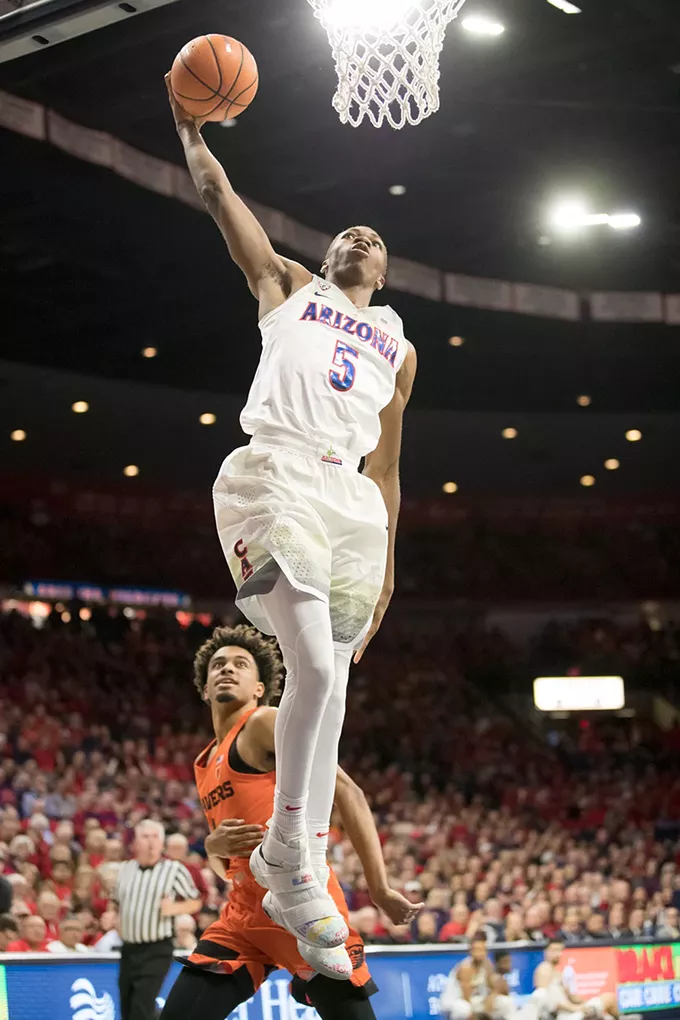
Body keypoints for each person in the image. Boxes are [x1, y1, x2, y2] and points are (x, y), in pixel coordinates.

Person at [166, 75, 416, 953]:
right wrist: (193, 134)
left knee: (335, 676)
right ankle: (295, 859)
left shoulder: (400, 346)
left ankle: (290, 856)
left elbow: (386, 465)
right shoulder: (289, 287)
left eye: (375, 238)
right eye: (350, 229)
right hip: (274, 471)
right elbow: (216, 196)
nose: (361, 235)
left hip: (351, 501)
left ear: (384, 274)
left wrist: (386, 563)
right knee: (309, 656)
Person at [159, 626, 421, 1020]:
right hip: (243, 914)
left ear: (260, 688)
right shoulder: (204, 761)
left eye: (240, 664)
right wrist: (213, 846)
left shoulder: (264, 721)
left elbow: (348, 792)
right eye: (218, 665)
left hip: (300, 900)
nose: (226, 670)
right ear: (204, 688)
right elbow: (224, 859)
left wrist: (379, 888)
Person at [111, 819, 202, 1020]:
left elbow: (195, 902)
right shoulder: (125, 869)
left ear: (162, 843)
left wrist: (174, 908)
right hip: (129, 948)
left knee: (141, 1006)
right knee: (127, 1005)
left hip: (157, 948)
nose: (151, 842)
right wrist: (112, 917)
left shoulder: (174, 869)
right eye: (145, 837)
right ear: (135, 843)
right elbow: (115, 902)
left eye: (155, 837)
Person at [532, 939, 619, 1020]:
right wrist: (576, 1008)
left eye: (560, 950)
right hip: (564, 1016)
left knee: (606, 1015)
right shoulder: (544, 969)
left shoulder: (558, 973)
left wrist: (584, 1003)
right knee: (609, 998)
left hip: (572, 1012)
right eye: (554, 950)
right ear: (546, 952)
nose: (558, 954)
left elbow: (572, 997)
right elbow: (545, 1000)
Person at [440, 934, 514, 1019]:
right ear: (471, 951)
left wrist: (490, 1000)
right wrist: (482, 1012)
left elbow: (493, 988)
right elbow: (466, 998)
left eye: (483, 950)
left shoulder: (487, 964)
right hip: (456, 1001)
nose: (481, 953)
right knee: (465, 1009)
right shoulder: (466, 967)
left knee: (507, 1002)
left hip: (477, 999)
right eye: (478, 950)